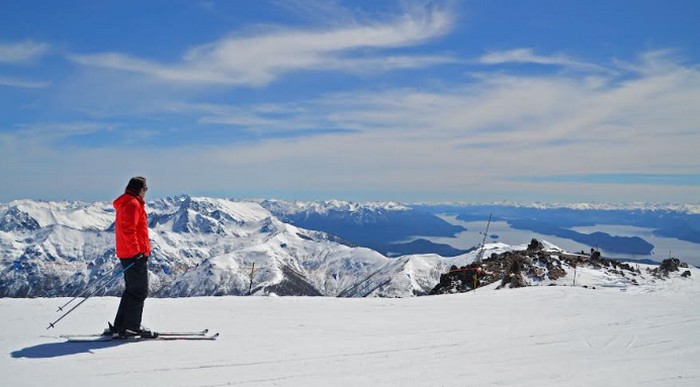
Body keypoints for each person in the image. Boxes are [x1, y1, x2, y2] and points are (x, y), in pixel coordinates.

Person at [110, 176, 157, 338]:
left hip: (128, 253)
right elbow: (128, 230)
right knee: (139, 291)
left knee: (131, 290)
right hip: (134, 255)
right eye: (146, 189)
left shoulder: (127, 202)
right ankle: (131, 327)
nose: (146, 192)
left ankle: (120, 325)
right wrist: (137, 252)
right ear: (140, 189)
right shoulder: (133, 204)